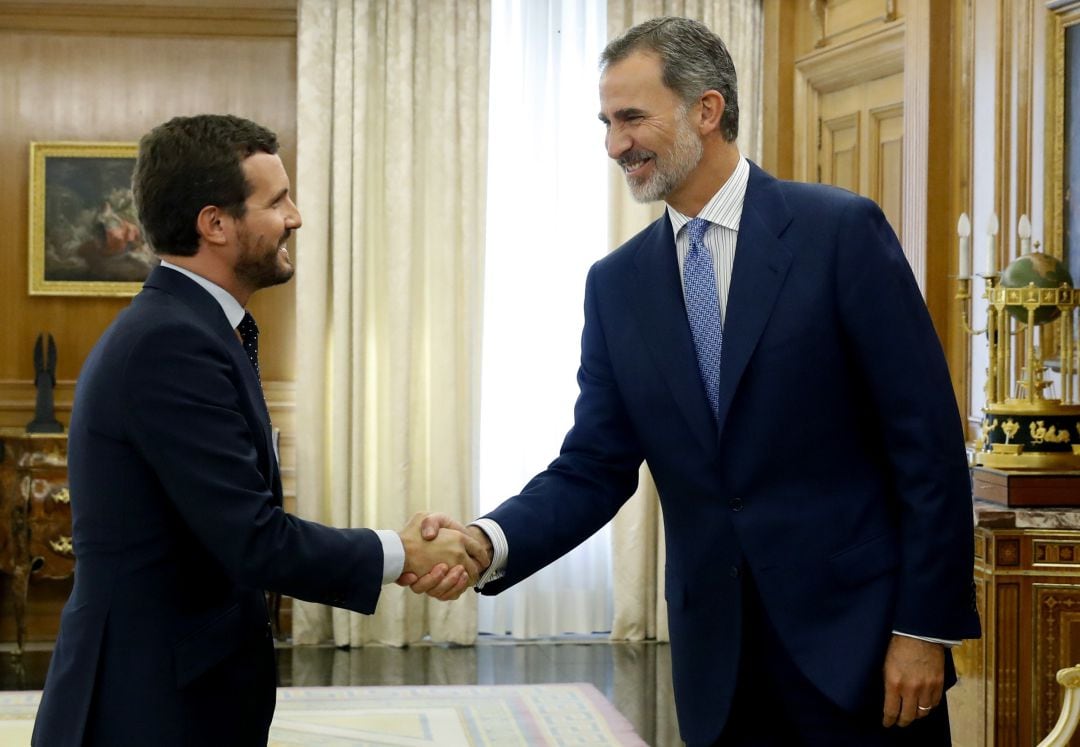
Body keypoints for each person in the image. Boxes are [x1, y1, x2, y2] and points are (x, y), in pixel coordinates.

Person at [402, 17, 981, 746]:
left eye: (631, 117)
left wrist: (923, 627)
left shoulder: (838, 234)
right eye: (606, 123)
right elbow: (593, 466)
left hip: (862, 647)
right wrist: (486, 541)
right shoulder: (617, 285)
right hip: (718, 667)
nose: (614, 145)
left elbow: (925, 447)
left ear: (706, 110)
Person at [32, 114, 486, 746]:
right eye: (277, 202)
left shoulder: (194, 328)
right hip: (145, 704)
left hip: (182, 685)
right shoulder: (171, 343)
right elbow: (252, 540)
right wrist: (402, 551)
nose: (295, 217)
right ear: (215, 223)